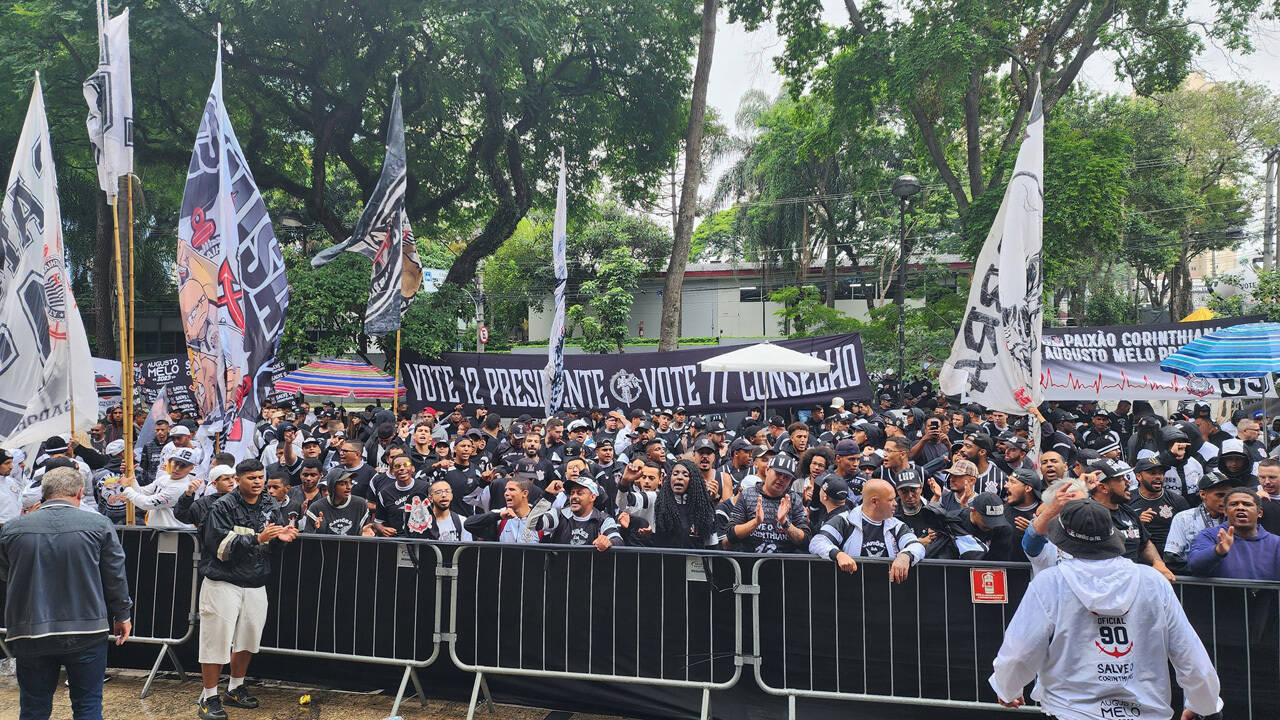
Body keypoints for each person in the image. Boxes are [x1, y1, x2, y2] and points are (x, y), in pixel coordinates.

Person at [989, 498, 1222, 720]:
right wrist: (1203, 703)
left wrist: (1007, 687)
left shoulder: (1051, 582)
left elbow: (1020, 650)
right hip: (1146, 710)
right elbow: (1189, 652)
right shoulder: (1152, 581)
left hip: (1072, 710)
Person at [0, 467, 133, 720]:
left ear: (44, 492)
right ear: (81, 493)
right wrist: (122, 614)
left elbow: (7, 572)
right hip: (86, 629)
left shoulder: (13, 528)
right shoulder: (99, 525)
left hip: (30, 630)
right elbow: (114, 576)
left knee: (33, 708)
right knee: (88, 706)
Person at [197, 459, 299, 720]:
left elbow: (272, 543)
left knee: (248, 639)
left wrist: (281, 538)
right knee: (216, 642)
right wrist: (257, 538)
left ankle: (235, 687)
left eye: (260, 477)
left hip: (255, 582)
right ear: (238, 479)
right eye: (251, 478)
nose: (257, 482)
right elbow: (218, 546)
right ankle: (208, 697)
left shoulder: (269, 504)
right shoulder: (223, 506)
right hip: (223, 583)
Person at [809, 478, 924, 583]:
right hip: (851, 591)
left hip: (887, 593)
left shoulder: (896, 525)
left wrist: (905, 556)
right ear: (874, 502)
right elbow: (817, 542)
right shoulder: (844, 520)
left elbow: (917, 545)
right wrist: (838, 554)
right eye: (890, 500)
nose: (895, 503)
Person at [1089, 458, 1175, 582]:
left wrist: (1158, 563)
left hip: (1130, 584)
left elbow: (1145, 543)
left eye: (1126, 477)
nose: (1128, 482)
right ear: (1103, 488)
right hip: (1103, 585)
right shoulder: (1088, 514)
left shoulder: (1128, 511)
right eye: (1120, 479)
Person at [1187, 487, 1280, 580]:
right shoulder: (1210, 535)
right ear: (1225, 511)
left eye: (1247, 504)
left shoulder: (1276, 543)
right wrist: (1218, 551)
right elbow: (1194, 565)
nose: (1240, 508)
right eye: (1234, 504)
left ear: (1259, 512)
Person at [726, 454, 811, 553]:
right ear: (767, 470)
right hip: (750, 562)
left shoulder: (794, 499)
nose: (781, 479)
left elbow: (805, 541)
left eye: (787, 477)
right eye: (778, 473)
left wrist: (785, 523)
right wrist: (755, 522)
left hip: (783, 564)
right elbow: (731, 534)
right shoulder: (747, 494)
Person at [119, 447, 200, 529]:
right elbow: (141, 492)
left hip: (176, 534)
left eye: (183, 466)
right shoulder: (164, 478)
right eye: (176, 463)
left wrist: (126, 488)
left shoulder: (182, 487)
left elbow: (146, 503)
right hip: (160, 532)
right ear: (170, 461)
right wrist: (129, 474)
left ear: (191, 468)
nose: (177, 468)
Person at [1125, 457, 1188, 557]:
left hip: (1171, 555)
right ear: (1139, 476)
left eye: (1161, 473)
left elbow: (1188, 531)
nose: (1159, 477)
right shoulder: (1127, 500)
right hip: (1140, 555)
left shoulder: (1177, 500)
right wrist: (1137, 524)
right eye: (1152, 473)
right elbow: (1119, 533)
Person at [542, 476, 623, 549]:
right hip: (560, 565)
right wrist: (547, 496)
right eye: (572, 493)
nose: (574, 496)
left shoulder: (603, 519)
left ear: (592, 497)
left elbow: (618, 541)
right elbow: (532, 524)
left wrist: (608, 542)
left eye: (579, 493)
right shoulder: (559, 514)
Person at [304, 472, 374, 536]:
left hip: (353, 549)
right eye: (343, 484)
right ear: (332, 487)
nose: (349, 487)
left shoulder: (360, 504)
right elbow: (307, 539)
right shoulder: (316, 507)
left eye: (350, 483)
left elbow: (365, 532)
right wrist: (318, 530)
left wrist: (365, 533)